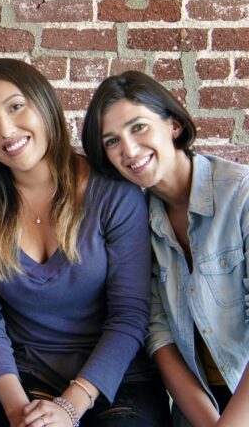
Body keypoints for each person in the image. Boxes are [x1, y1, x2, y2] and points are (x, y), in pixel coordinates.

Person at [0, 58, 170, 427]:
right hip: (24, 381)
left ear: (46, 104)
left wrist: (70, 406)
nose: (5, 130)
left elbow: (129, 314)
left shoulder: (113, 193)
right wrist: (19, 412)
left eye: (16, 106)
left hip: (117, 379)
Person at [81, 70, 249, 427]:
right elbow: (159, 336)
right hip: (201, 404)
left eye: (138, 127)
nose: (128, 149)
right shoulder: (137, 223)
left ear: (173, 125)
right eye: (111, 141)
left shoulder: (241, 196)